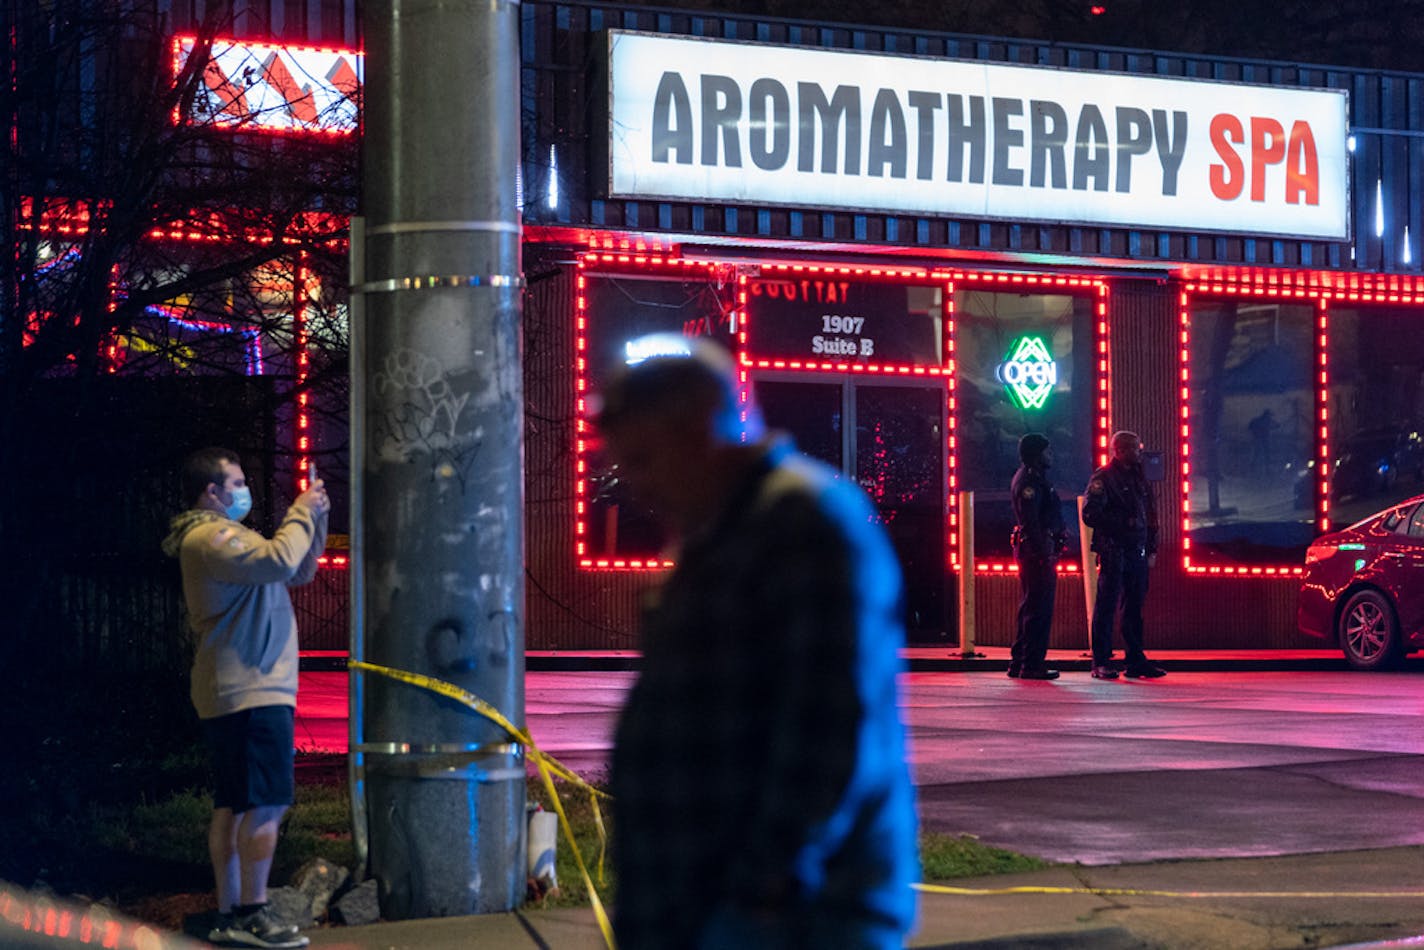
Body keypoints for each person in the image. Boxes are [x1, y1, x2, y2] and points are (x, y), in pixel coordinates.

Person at [595, 337, 918, 950]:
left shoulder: (803, 522)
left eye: (642, 459)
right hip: (718, 903)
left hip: (785, 916)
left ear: (698, 431)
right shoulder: (723, 529)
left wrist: (766, 882)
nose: (636, 486)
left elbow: (827, 725)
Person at [162, 448, 330, 949]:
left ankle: (230, 912)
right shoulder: (211, 537)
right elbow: (280, 557)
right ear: (211, 491)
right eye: (235, 482)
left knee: (235, 805)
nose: (243, 490)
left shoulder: (225, 538)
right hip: (252, 687)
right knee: (266, 802)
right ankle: (253, 913)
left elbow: (294, 569)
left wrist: (314, 522)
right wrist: (301, 511)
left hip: (239, 688)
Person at [1082, 431, 1165, 680]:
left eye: (1138, 449)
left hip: (1136, 551)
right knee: (1107, 606)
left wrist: (1151, 548)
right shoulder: (1104, 477)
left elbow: (1150, 516)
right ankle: (1101, 661)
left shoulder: (1139, 478)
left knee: (1134, 607)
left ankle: (1135, 660)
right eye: (1133, 449)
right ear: (1118, 450)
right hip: (1114, 550)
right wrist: (1122, 524)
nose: (1138, 453)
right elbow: (1090, 514)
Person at [1009, 433, 1066, 680]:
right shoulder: (1030, 482)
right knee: (1038, 608)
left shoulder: (1035, 478)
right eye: (1047, 451)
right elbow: (1031, 521)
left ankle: (1021, 660)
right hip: (1037, 553)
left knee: (1031, 605)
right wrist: (1045, 552)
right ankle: (1031, 664)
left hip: (1036, 550)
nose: (1051, 455)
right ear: (1036, 454)